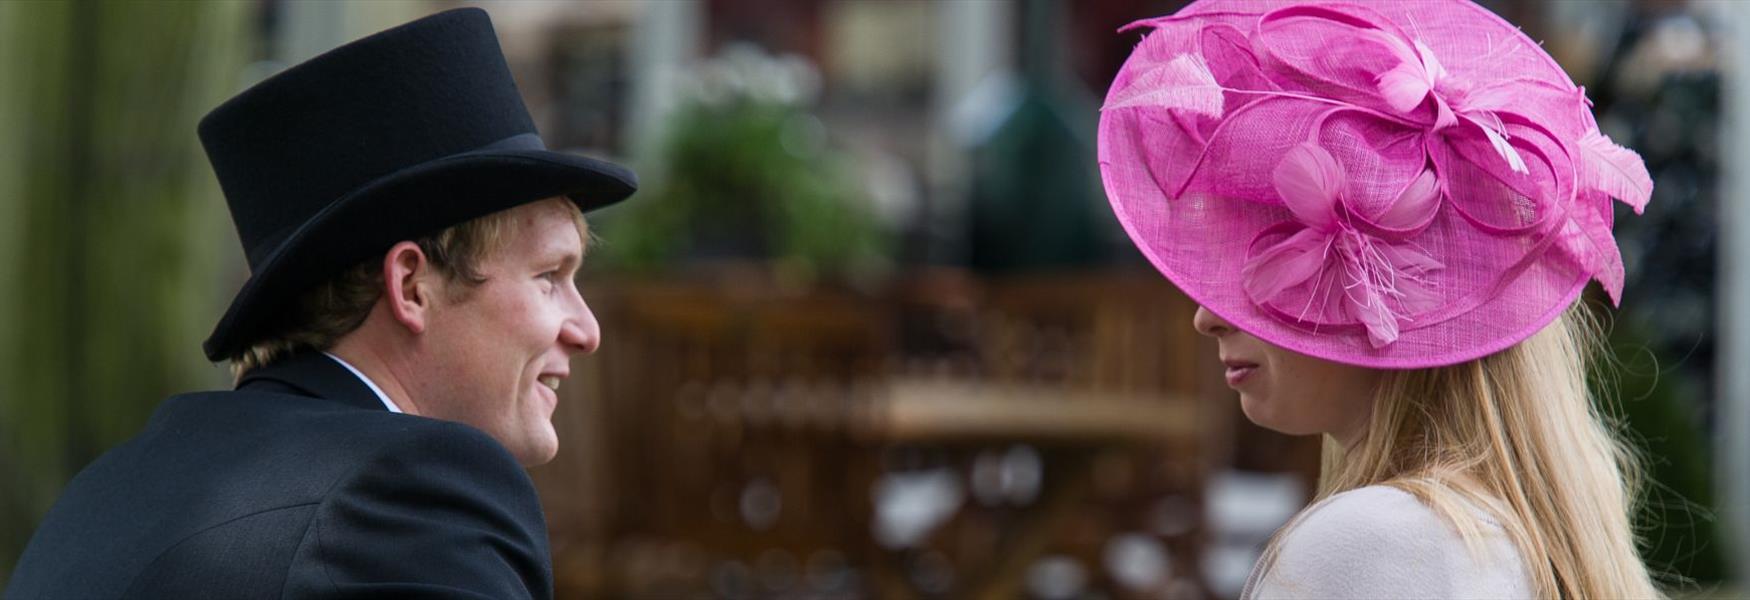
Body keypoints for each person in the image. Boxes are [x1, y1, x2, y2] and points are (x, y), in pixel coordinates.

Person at [5, 8, 635, 598]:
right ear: (413, 286)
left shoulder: (106, 489)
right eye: (549, 275)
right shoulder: (410, 492)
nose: (587, 329)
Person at [1099, 0, 1662, 597]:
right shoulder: (1515, 538)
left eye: (1259, 258)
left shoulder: (1372, 544)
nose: (1207, 317)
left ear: (1378, 284)